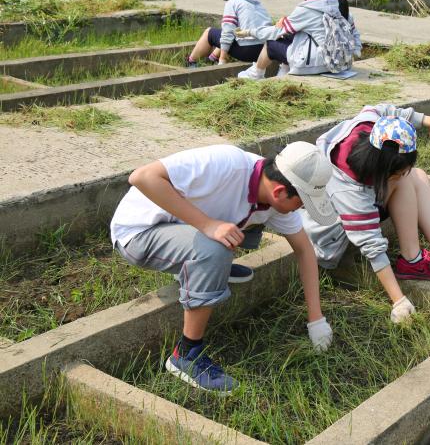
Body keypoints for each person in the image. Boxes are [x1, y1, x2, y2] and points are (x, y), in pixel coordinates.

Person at [110, 142, 337, 394]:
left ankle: (206, 269)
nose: (302, 209)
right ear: (281, 192)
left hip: (181, 228)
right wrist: (208, 225)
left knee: (231, 237)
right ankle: (186, 355)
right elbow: (142, 177)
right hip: (140, 232)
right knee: (215, 249)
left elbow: (304, 250)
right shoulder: (226, 163)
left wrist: (316, 319)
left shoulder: (273, 198)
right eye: (302, 203)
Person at [302, 104, 430, 324]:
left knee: (416, 175)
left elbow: (381, 109)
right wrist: (398, 299)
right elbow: (371, 245)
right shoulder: (349, 188)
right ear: (381, 168)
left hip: (356, 203)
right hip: (331, 236)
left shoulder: (370, 127)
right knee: (404, 182)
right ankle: (412, 260)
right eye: (398, 170)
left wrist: (421, 119)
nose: (403, 172)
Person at [237, 0, 362, 79]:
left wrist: (249, 32)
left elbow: (276, 31)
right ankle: (282, 74)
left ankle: (255, 74)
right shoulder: (333, 3)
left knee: (271, 45)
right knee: (292, 36)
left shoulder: (308, 8)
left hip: (319, 63)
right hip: (335, 60)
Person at [186, 0, 271, 67]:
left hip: (247, 51)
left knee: (209, 32)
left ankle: (190, 62)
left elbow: (227, 32)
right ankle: (212, 58)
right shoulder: (257, 3)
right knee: (234, 32)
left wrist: (222, 59)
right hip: (265, 51)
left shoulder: (233, 2)